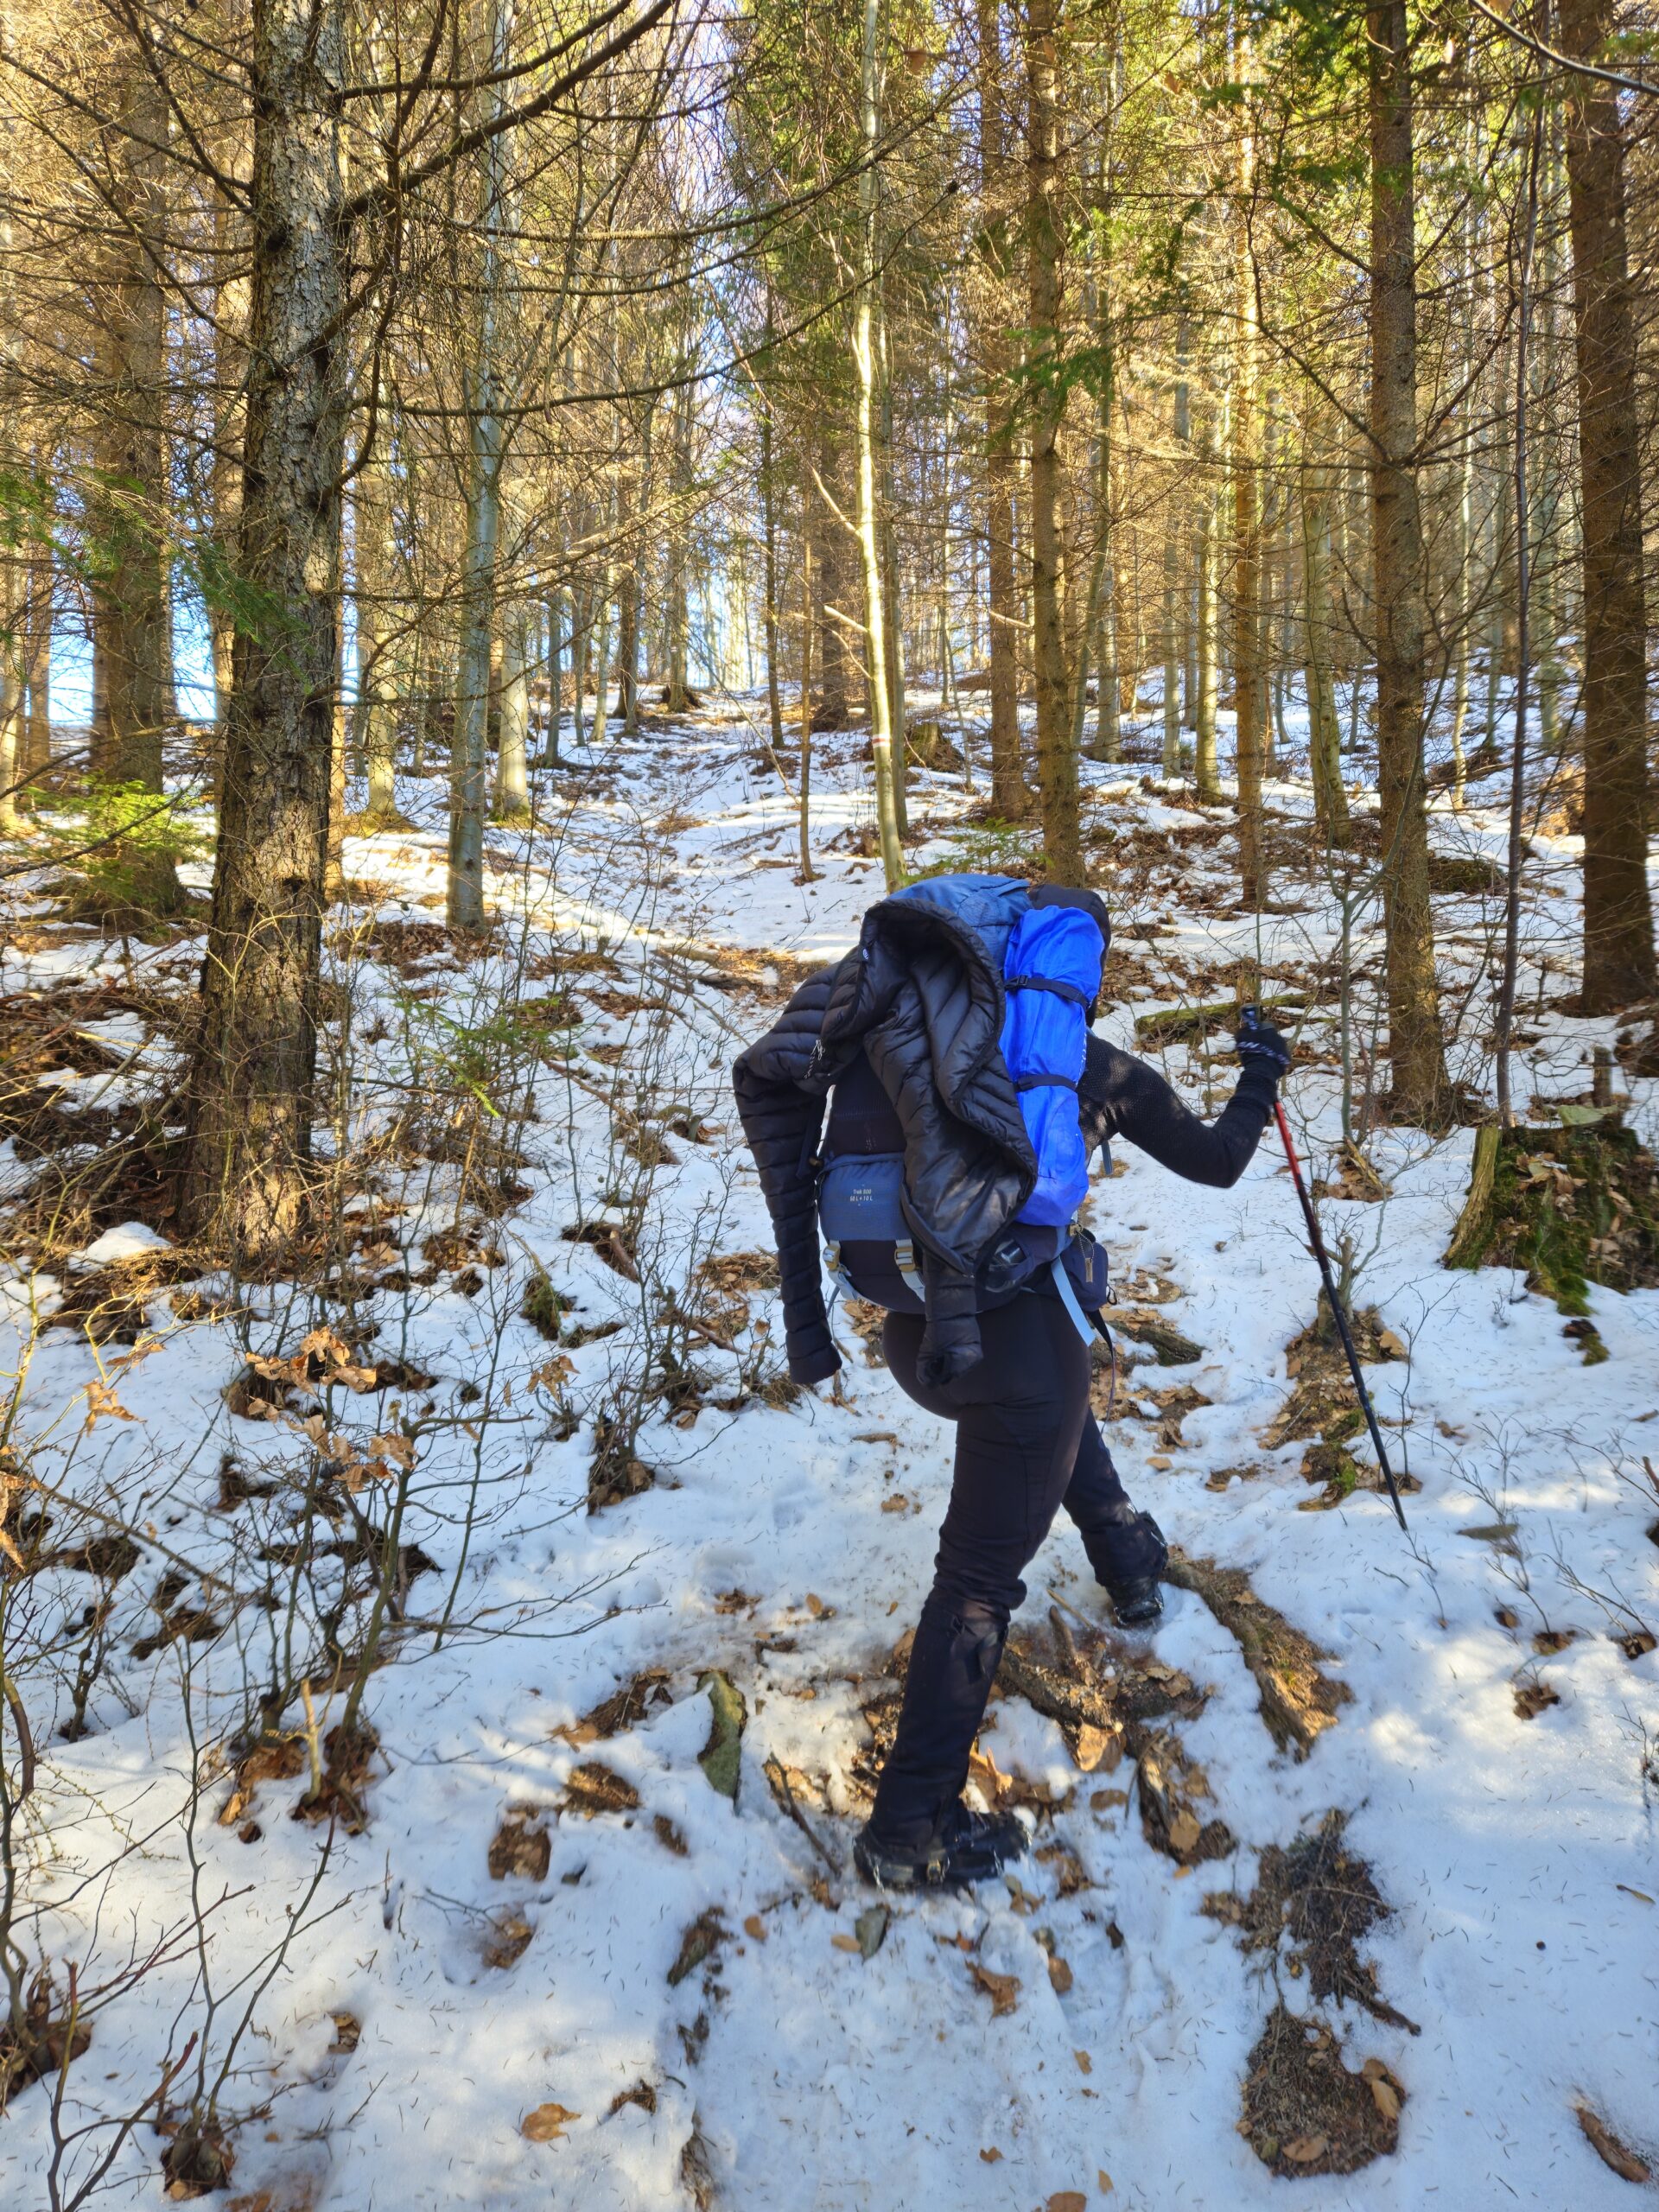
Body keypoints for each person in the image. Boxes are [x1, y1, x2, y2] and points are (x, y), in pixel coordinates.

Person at [733, 876, 1288, 1891]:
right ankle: (910, 1827)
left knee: (1048, 1415)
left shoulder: (876, 1035)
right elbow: (1217, 1161)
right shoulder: (1072, 1062)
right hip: (1016, 1362)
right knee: (979, 1581)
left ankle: (1126, 1556)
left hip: (916, 1334)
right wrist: (1261, 1076)